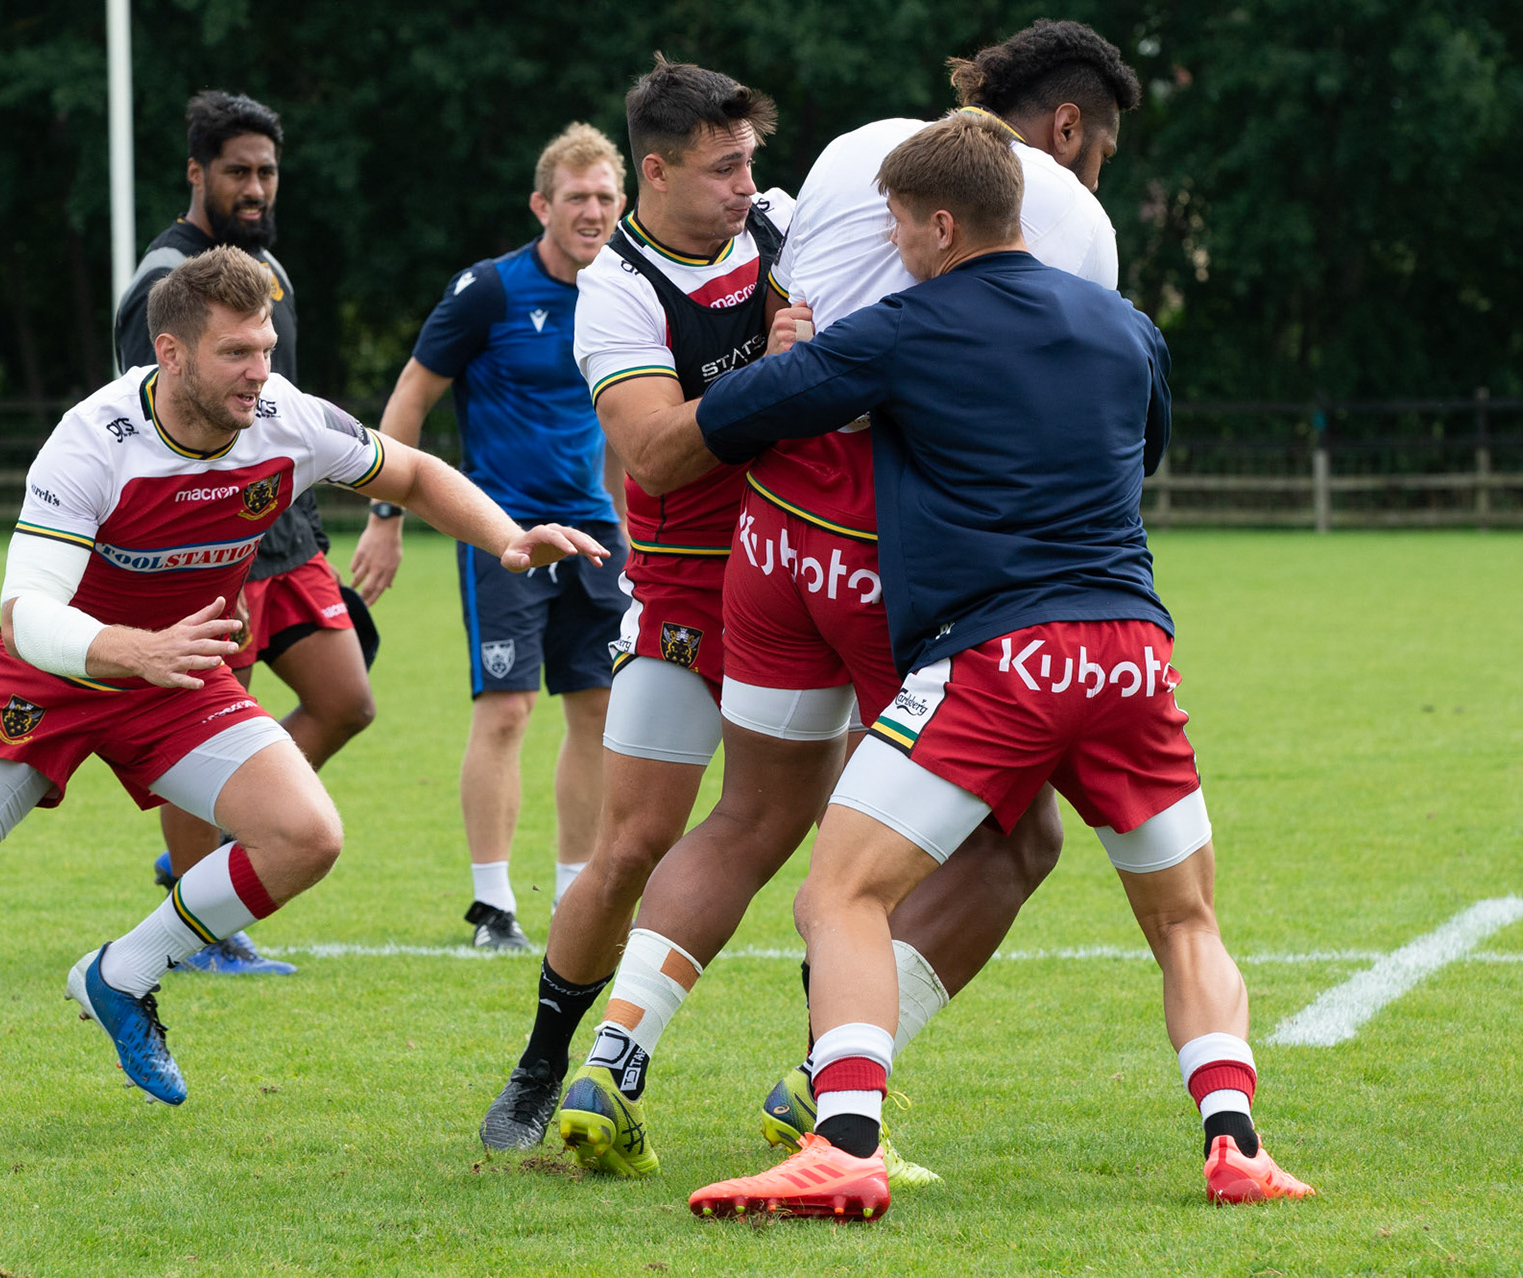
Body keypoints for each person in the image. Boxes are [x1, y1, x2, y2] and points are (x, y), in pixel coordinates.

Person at [0, 247, 607, 1136]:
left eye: (265, 349)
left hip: (173, 672)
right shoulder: (91, 441)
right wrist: (131, 648)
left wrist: (509, 541)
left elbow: (408, 472)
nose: (260, 372)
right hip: (54, 676)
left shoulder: (285, 417)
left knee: (306, 835)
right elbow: (27, 615)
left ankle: (122, 973)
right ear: (171, 354)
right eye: (236, 353)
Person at [685, 114, 1313, 1218]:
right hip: (1133, 654)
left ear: (939, 223)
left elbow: (739, 418)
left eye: (895, 225)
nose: (891, 246)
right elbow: (1140, 450)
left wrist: (790, 353)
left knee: (840, 893)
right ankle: (1237, 1144)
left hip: (1003, 656)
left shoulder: (903, 328)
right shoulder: (1127, 328)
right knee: (1185, 917)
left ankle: (842, 1141)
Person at [740, 18, 1143, 1172]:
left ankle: (612, 1056)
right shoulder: (1075, 224)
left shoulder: (860, 147)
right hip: (933, 565)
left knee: (758, 818)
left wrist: (693, 430)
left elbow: (792, 321)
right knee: (1001, 848)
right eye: (1100, 148)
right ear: (1067, 129)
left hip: (777, 519)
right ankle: (834, 1093)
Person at [477, 54, 792, 1160]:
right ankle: (544, 1063)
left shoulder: (785, 228)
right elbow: (656, 457)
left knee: (852, 840)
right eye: (721, 168)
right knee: (634, 842)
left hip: (806, 588)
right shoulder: (615, 287)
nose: (746, 185)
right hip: (688, 595)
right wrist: (779, 380)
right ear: (654, 174)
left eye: (749, 159)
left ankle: (827, 1079)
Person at [350, 123, 632, 952]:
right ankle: (493, 905)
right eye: (576, 196)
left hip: (595, 536)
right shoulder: (490, 291)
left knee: (600, 707)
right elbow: (408, 400)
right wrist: (386, 517)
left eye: (605, 197)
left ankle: (576, 898)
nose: (592, 211)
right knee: (506, 709)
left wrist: (629, 528)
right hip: (503, 532)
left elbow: (621, 421)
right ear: (543, 205)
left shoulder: (626, 293)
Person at [114, 90, 374, 976]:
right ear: (197, 174)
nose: (256, 185)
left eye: (266, 170)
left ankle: (221, 836)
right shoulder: (164, 284)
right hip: (211, 548)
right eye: (237, 171)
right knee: (197, 728)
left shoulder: (264, 272)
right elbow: (156, 432)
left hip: (289, 540)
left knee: (347, 700)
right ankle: (201, 925)